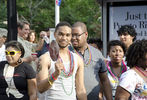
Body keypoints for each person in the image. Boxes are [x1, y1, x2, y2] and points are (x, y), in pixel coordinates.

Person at [37, 22, 87, 100]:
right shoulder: (45, 58)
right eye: (60, 34)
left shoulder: (78, 59)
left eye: (67, 35)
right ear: (54, 35)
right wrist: (55, 74)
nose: (64, 38)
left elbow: (80, 90)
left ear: (71, 37)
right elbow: (40, 88)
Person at [71, 21, 112, 100]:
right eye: (72, 35)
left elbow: (104, 80)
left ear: (86, 34)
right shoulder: (67, 53)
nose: (73, 38)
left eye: (77, 35)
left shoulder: (97, 54)